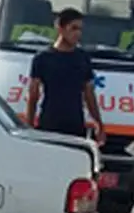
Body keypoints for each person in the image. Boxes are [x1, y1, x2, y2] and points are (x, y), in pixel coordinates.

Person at [25, 8, 105, 146]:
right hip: (49, 125)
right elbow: (33, 95)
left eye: (80, 29)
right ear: (60, 28)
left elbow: (89, 94)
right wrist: (29, 126)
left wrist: (98, 123)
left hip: (75, 126)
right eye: (73, 28)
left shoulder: (83, 58)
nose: (78, 33)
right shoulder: (42, 58)